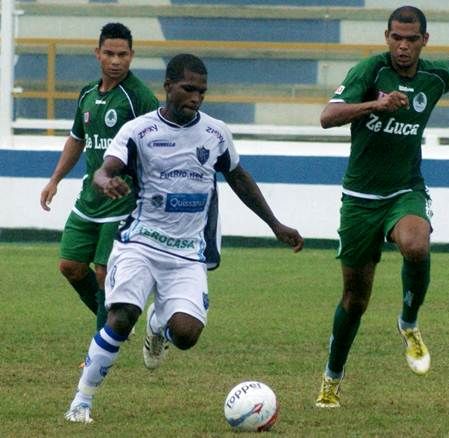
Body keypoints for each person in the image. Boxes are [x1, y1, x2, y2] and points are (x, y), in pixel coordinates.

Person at [64, 53, 304, 423]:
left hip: (187, 253)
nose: (196, 98)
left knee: (187, 334)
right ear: (168, 86)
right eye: (189, 89)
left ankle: (158, 325)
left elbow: (238, 177)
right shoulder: (139, 131)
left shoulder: (215, 132)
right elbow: (105, 169)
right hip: (140, 243)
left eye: (202, 91)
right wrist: (105, 180)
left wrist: (276, 225)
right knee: (121, 317)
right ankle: (82, 401)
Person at [315, 6, 449, 408]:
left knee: (416, 244)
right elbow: (327, 117)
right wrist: (376, 105)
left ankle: (408, 323)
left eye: (411, 39)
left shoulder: (434, 74)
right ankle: (331, 380)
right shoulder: (369, 72)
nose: (403, 47)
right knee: (355, 299)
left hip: (405, 189)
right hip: (359, 200)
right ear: (387, 37)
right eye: (396, 38)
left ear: (425, 40)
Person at [40, 23, 159, 332]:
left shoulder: (139, 98)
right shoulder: (88, 94)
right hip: (89, 199)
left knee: (105, 272)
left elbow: (159, 144)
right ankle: (118, 324)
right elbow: (77, 139)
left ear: (132, 56)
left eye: (123, 54)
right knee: (71, 266)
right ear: (97, 54)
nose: (116, 61)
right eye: (109, 53)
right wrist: (55, 180)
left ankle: (100, 346)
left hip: (122, 200)